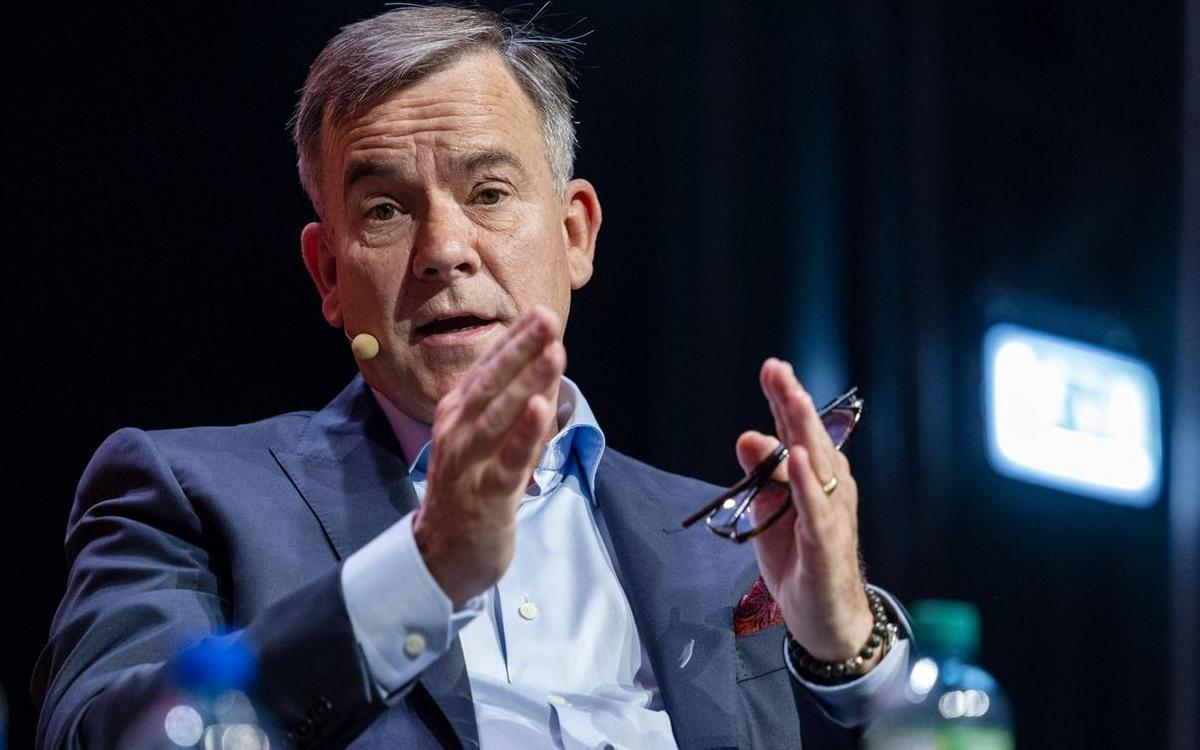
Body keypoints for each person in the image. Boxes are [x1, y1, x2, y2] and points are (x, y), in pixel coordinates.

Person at [33, 6, 911, 749]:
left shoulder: (722, 546)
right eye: (385, 210)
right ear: (329, 274)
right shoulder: (187, 496)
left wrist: (848, 648)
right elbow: (109, 736)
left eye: (489, 193)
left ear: (575, 234)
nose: (444, 251)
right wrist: (422, 573)